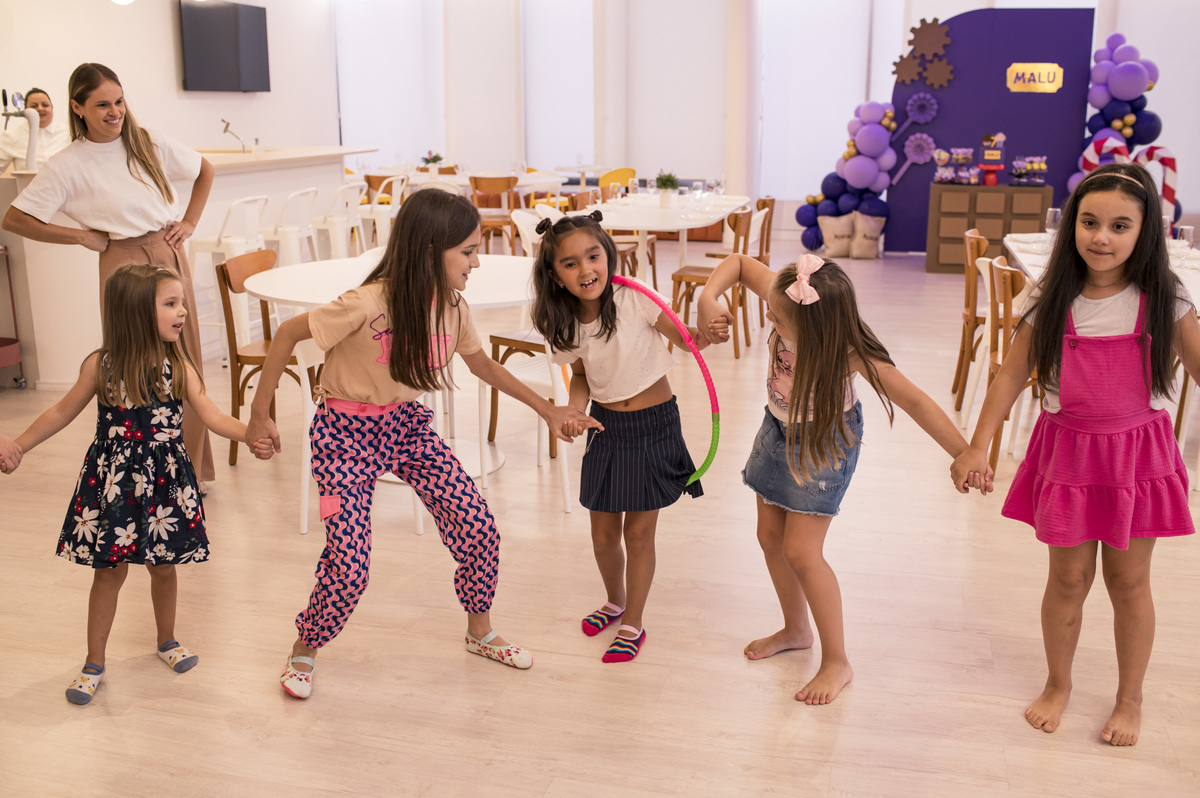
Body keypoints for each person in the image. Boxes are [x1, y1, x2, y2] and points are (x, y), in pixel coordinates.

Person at [246, 189, 599, 699]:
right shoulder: (366, 303)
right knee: (349, 564)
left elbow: (483, 366)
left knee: (477, 528)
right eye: (469, 251)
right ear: (431, 250)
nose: (476, 262)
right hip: (344, 435)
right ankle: (306, 644)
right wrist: (261, 415)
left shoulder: (452, 306)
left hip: (407, 426)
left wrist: (548, 409)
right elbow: (285, 335)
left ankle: (480, 633)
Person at [951, 161, 1198, 746]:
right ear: (1072, 228)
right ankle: (1058, 683)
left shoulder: (1165, 296)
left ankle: (1129, 699)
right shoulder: (1051, 295)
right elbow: (1011, 376)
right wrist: (977, 445)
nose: (1101, 237)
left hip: (1138, 455)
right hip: (1069, 454)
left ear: (1146, 233)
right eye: (1089, 222)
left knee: (1130, 583)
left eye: (1119, 226)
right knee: (1067, 579)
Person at [698, 253, 977, 704]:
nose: (770, 318)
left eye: (776, 320)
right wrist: (708, 296)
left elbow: (917, 402)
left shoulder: (852, 354)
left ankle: (837, 661)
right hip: (776, 428)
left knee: (802, 553)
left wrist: (964, 453)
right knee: (769, 537)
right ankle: (795, 629)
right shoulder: (789, 295)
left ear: (818, 331)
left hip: (824, 443)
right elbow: (738, 263)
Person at [0, 264, 273, 705]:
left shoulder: (179, 365)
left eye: (180, 302)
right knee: (108, 572)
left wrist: (251, 434)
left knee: (164, 566)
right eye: (171, 304)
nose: (183, 311)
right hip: (115, 483)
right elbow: (59, 413)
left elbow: (214, 416)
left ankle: (166, 640)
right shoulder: (101, 365)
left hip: (166, 485)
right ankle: (93, 662)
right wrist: (18, 445)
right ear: (135, 312)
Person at [1, 63, 217, 483]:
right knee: (135, 366)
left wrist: (189, 222)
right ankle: (146, 470)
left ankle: (187, 472)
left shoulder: (147, 142)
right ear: (77, 107)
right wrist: (80, 236)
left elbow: (205, 169)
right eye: (102, 104)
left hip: (168, 252)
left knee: (183, 361)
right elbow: (16, 218)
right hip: (121, 264)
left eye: (119, 101)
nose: (114, 111)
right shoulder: (67, 164)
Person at [530, 211, 724, 664]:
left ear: (608, 255)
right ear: (555, 275)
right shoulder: (561, 322)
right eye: (570, 263)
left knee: (638, 534)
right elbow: (579, 374)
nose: (586, 270)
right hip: (606, 428)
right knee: (602, 535)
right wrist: (575, 409)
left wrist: (709, 334)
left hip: (654, 427)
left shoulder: (637, 299)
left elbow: (688, 340)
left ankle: (633, 620)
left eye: (593, 256)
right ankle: (615, 601)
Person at [0, 87, 70, 173]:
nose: (40, 108)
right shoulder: (11, 135)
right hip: (26, 185)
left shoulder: (67, 133)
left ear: (52, 107)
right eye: (34, 106)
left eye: (45, 105)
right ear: (25, 110)